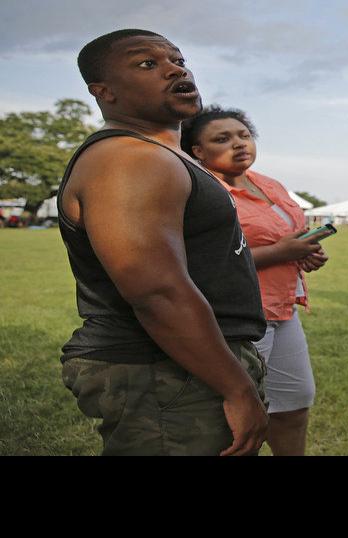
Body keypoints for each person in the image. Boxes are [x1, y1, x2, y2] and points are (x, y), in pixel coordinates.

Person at [58, 29, 268, 456]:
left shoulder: (161, 157)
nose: (175, 68)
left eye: (178, 59)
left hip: (188, 365)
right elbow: (157, 292)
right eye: (147, 64)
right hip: (164, 372)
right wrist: (237, 388)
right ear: (105, 93)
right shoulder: (128, 159)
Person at [181, 106, 328, 456]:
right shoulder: (200, 191)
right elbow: (203, 258)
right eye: (222, 139)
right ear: (198, 151)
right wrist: (281, 252)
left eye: (243, 135)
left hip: (283, 308)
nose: (239, 143)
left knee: (294, 402)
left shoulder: (268, 184)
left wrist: (305, 251)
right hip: (237, 315)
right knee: (240, 417)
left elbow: (288, 236)